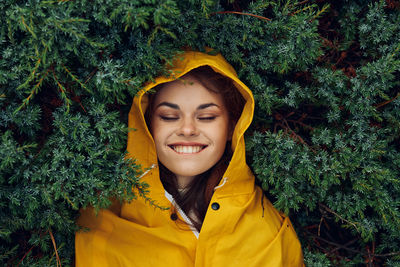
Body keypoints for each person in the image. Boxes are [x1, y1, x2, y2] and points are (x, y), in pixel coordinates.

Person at [75, 50, 304, 266]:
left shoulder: (268, 231)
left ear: (231, 126)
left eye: (206, 116)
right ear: (147, 125)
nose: (187, 129)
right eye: (169, 116)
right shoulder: (103, 222)